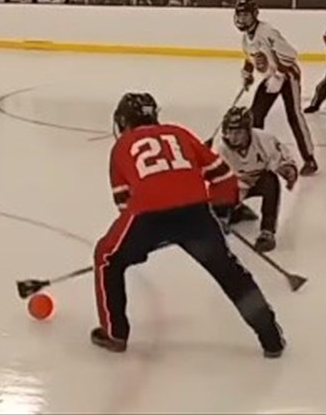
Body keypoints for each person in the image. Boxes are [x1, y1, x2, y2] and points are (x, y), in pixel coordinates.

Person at [92, 92, 286, 358]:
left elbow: (124, 204)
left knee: (106, 257)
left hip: (146, 217)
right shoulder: (179, 133)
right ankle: (271, 338)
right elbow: (225, 179)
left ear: (123, 121)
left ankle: (115, 333)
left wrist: (141, 245)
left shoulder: (121, 146)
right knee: (230, 273)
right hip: (196, 215)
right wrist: (220, 212)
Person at [235, 0, 318, 176]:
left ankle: (309, 158)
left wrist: (279, 75)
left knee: (294, 115)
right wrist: (247, 73)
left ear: (255, 15)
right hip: (271, 76)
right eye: (240, 15)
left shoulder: (268, 32)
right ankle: (257, 155)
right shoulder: (246, 38)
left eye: (246, 15)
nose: (242, 19)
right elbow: (251, 57)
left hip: (288, 76)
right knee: (255, 115)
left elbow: (290, 55)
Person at [216, 107, 298, 253]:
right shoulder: (221, 150)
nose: (233, 137)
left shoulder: (265, 140)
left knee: (270, 181)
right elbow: (215, 182)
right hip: (234, 187)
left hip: (257, 182)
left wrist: (288, 170)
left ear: (248, 131)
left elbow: (283, 158)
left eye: (238, 132)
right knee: (219, 202)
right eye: (230, 132)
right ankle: (235, 211)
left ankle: (267, 231)